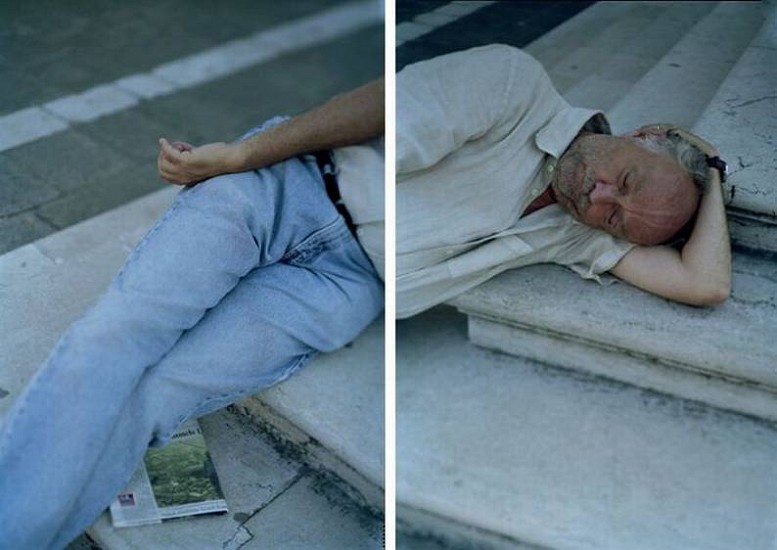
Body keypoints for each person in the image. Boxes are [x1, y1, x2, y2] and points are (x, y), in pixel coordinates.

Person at [0, 79, 385, 549]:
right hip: (294, 182)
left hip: (354, 276)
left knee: (158, 394)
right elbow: (385, 101)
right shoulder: (502, 78)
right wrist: (238, 157)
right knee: (117, 334)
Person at [395, 44, 730, 318]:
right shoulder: (515, 94)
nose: (599, 196)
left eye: (614, 218)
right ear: (639, 135)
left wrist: (713, 171)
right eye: (626, 180)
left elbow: (705, 286)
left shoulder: (575, 234)